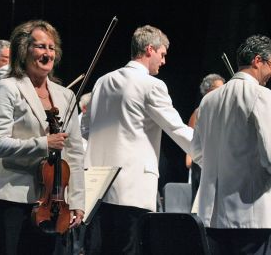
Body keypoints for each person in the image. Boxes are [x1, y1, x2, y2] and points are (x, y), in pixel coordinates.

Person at [82, 25, 193, 255]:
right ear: (149, 49)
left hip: (97, 186)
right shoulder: (152, 85)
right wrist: (213, 150)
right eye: (162, 55)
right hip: (132, 189)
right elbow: (177, 129)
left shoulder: (102, 81)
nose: (163, 61)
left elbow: (85, 128)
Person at [0, 20, 85, 255]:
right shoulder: (8, 88)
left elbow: (75, 154)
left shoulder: (66, 96)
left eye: (51, 47)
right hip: (12, 198)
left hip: (55, 205)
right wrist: (43, 143)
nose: (47, 53)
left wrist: (78, 203)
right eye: (40, 46)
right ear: (24, 50)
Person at [191, 34, 271, 254]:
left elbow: (197, 151)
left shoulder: (208, 100)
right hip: (251, 213)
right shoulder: (262, 95)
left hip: (212, 215)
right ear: (258, 60)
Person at [186, 73, 225, 205]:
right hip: (202, 163)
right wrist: (192, 158)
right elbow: (190, 140)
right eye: (219, 89)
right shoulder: (199, 112)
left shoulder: (223, 110)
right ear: (208, 91)